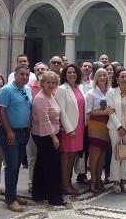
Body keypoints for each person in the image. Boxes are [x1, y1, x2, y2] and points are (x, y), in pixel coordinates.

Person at [0, 64, 33, 212]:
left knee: (17, 165)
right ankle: (10, 200)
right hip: (10, 133)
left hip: (23, 133)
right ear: (15, 74)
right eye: (22, 74)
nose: (24, 77)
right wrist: (9, 131)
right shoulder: (6, 90)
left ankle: (12, 194)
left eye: (27, 74)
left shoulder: (28, 89)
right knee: (11, 166)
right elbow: (1, 111)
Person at [31, 71, 66, 206]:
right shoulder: (40, 98)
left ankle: (39, 193)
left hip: (52, 132)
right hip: (44, 135)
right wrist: (54, 138)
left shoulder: (51, 95)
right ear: (42, 83)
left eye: (54, 83)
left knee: (42, 164)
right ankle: (55, 197)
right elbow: (44, 121)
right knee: (53, 166)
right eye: (48, 82)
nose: (51, 85)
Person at [55, 64, 86, 195]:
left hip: (79, 127)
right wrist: (69, 129)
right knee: (66, 156)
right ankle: (64, 184)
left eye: (74, 72)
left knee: (73, 156)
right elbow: (61, 110)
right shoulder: (62, 89)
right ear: (65, 75)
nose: (72, 74)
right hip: (69, 129)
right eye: (69, 72)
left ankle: (69, 182)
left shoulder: (80, 87)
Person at [85, 68, 112, 193]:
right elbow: (88, 112)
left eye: (104, 75)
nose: (103, 77)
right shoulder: (91, 93)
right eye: (100, 75)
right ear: (96, 78)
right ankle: (93, 181)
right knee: (95, 154)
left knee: (102, 155)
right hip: (95, 124)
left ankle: (99, 179)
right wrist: (103, 112)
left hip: (107, 124)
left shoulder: (111, 92)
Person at [24, 62, 47, 193]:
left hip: (49, 129)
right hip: (33, 127)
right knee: (32, 156)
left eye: (43, 69)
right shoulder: (28, 88)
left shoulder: (52, 87)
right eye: (38, 69)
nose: (40, 71)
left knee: (45, 156)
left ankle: (43, 181)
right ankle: (32, 182)